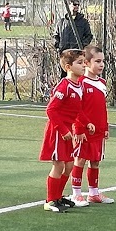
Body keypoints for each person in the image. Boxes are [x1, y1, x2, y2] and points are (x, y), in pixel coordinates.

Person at [39, 49, 95, 213]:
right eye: (79, 63)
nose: (84, 65)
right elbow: (51, 110)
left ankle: (58, 196)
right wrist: (63, 130)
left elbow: (77, 111)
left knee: (69, 166)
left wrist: (87, 123)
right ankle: (50, 201)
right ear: (68, 67)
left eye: (84, 62)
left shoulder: (78, 86)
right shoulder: (64, 86)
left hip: (66, 132)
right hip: (57, 131)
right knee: (59, 165)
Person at [71, 45, 114, 204]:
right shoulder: (80, 83)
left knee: (95, 161)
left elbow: (101, 108)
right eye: (97, 61)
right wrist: (79, 128)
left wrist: (105, 127)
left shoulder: (102, 82)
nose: (101, 64)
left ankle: (94, 193)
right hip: (84, 130)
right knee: (80, 159)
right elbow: (76, 109)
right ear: (87, 63)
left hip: (98, 130)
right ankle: (76, 193)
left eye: (103, 61)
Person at [53, 0, 94, 78]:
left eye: (78, 5)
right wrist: (58, 46)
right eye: (74, 4)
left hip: (77, 53)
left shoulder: (83, 22)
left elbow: (89, 36)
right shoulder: (61, 22)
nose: (76, 6)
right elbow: (56, 35)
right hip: (64, 53)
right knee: (64, 75)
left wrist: (81, 45)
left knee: (78, 75)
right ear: (69, 6)